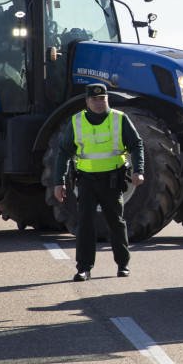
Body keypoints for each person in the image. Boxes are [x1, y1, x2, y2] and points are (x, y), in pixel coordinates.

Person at [51, 84, 145, 281]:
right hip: (86, 182)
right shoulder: (77, 121)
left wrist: (138, 171)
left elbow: (136, 144)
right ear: (87, 102)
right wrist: (59, 182)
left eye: (102, 99)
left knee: (116, 223)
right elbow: (63, 153)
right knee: (84, 224)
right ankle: (83, 268)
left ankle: (123, 264)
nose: (99, 103)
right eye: (94, 100)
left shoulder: (119, 119)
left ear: (107, 100)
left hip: (112, 180)